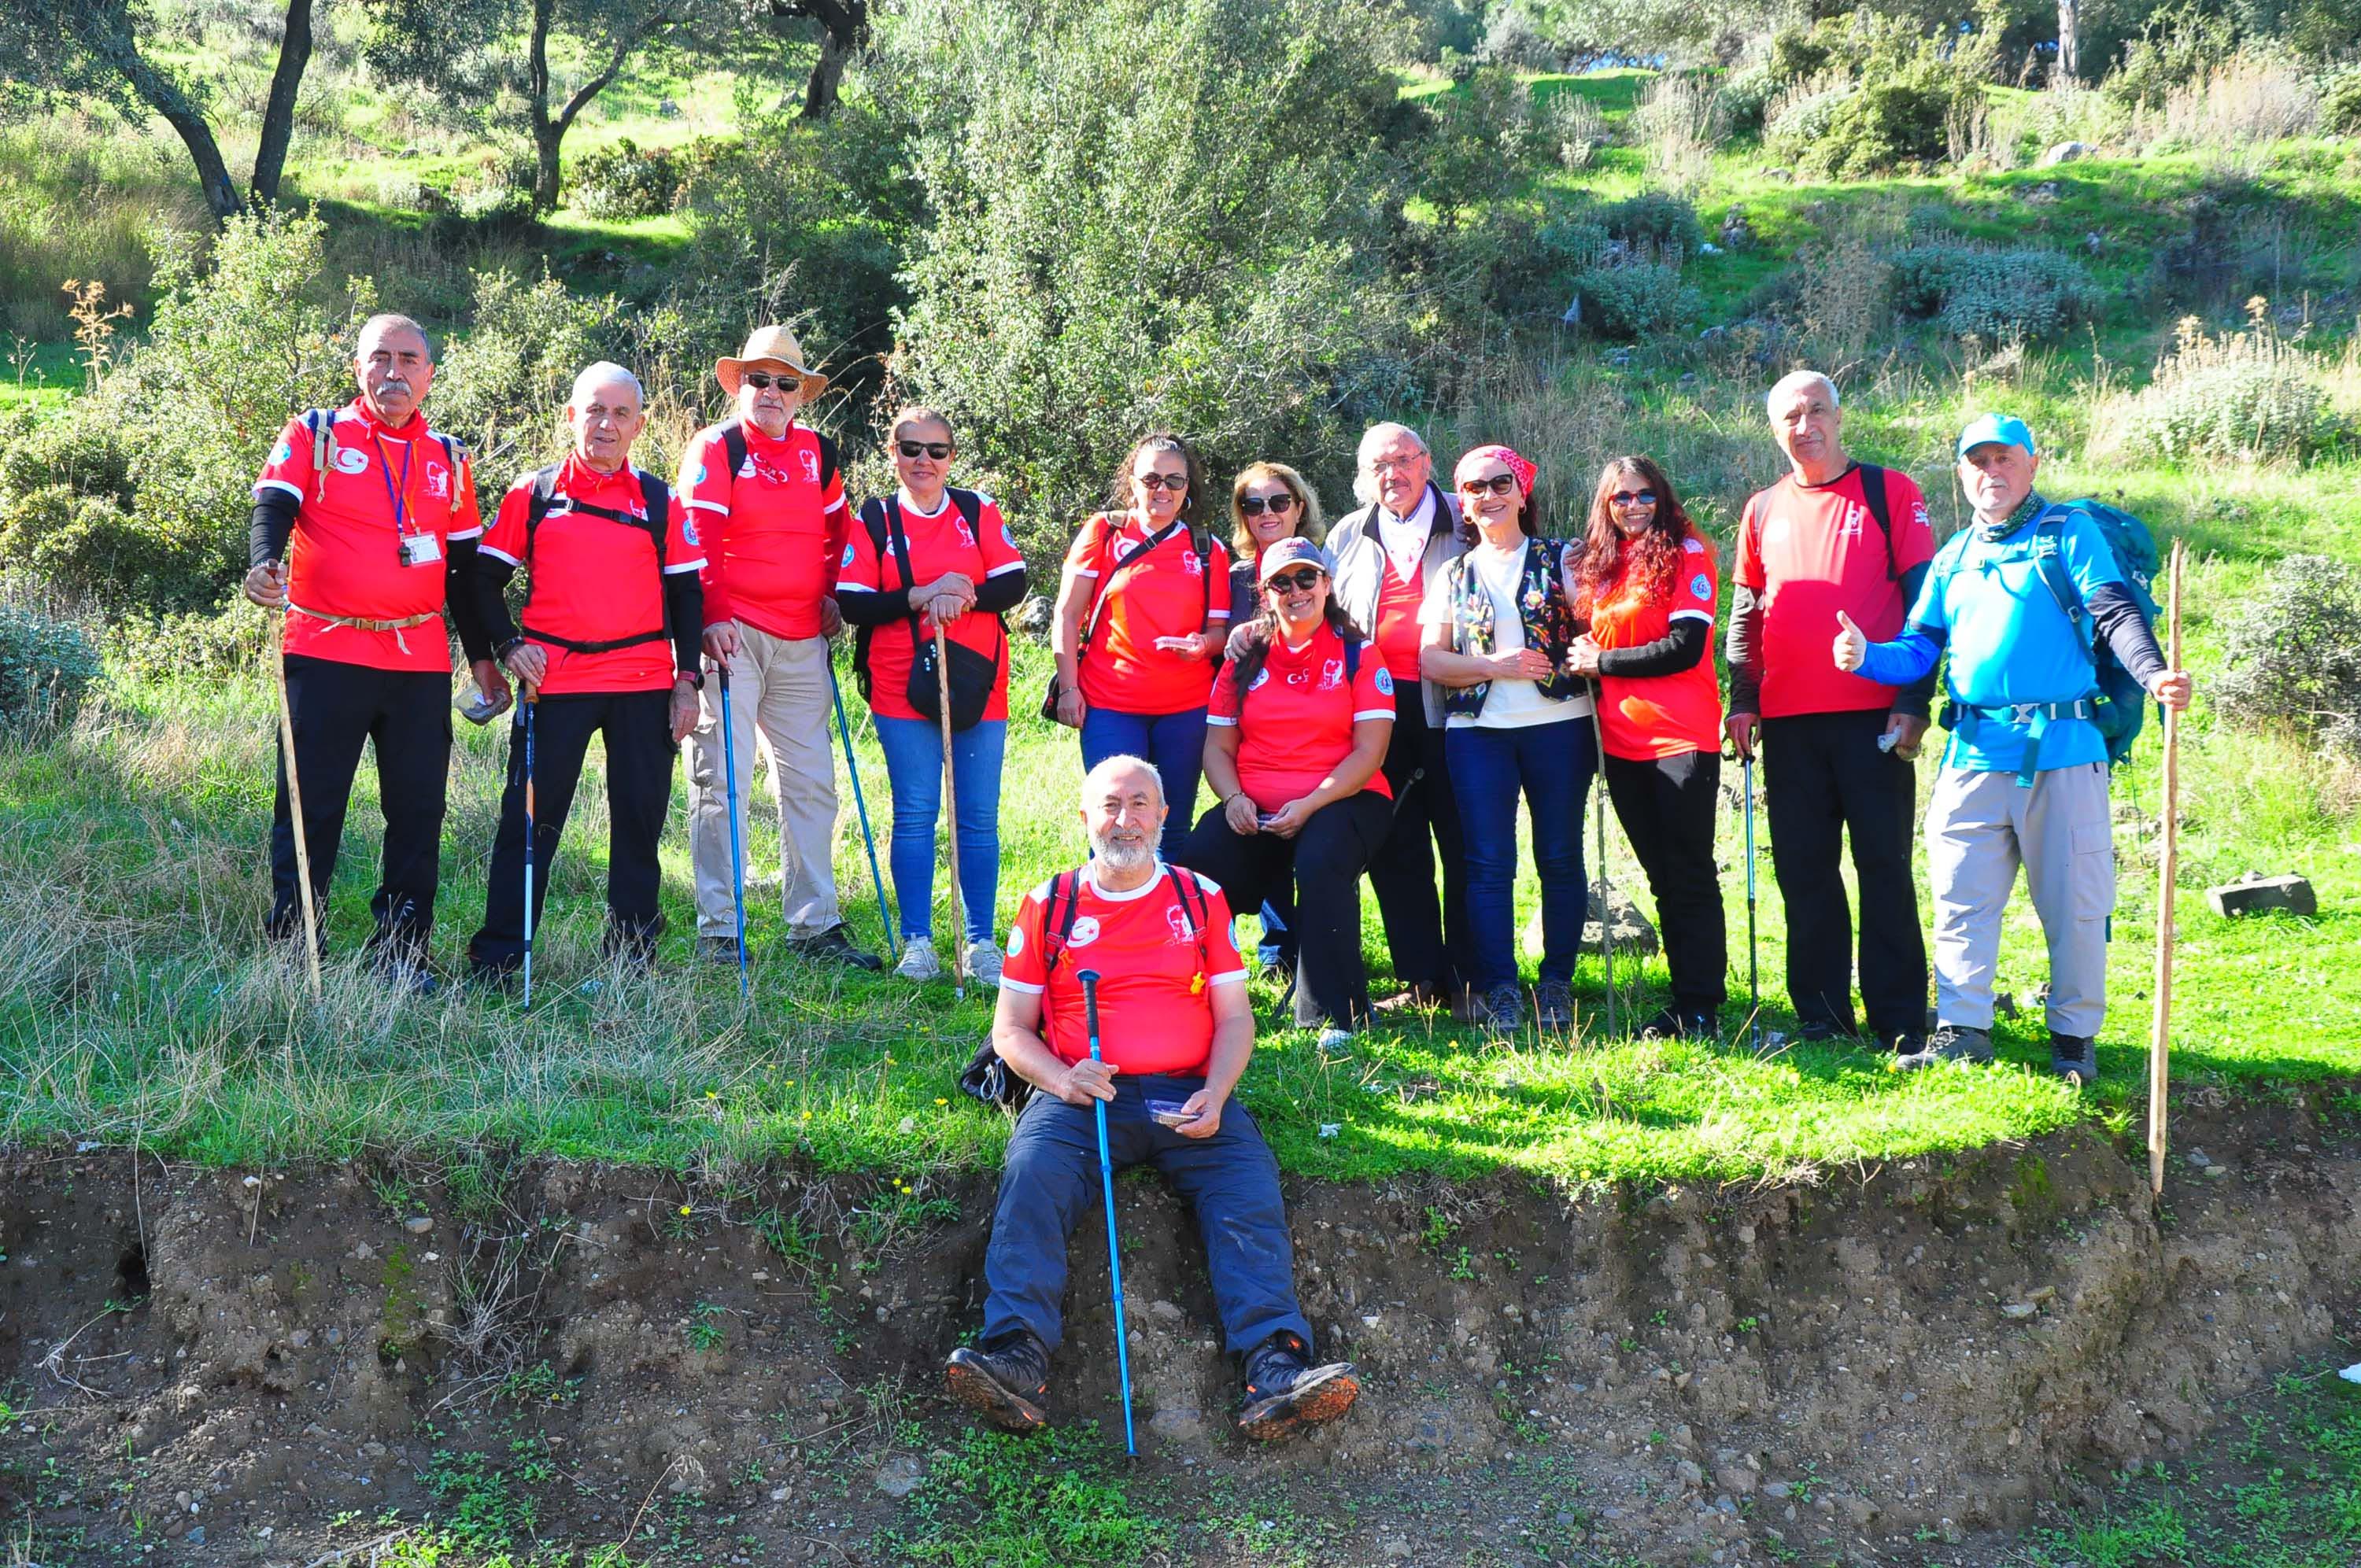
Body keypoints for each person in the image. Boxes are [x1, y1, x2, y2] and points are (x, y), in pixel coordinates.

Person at [944, 754, 1360, 1443]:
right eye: (1110, 804)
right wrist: (1059, 1079)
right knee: (1030, 1177)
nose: (1125, 818)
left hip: (1186, 1091)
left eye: (1140, 803)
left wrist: (1218, 1092)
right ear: (1084, 817)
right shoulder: (1049, 903)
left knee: (1246, 1182)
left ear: (1164, 815)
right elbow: (1010, 1031)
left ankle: (1275, 1370)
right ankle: (1016, 1359)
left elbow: (1234, 1018)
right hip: (1081, 1097)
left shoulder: (1200, 897)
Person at [1834, 414, 2192, 1083]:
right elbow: (1920, 649)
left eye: (2003, 459)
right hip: (1971, 755)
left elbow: (2114, 611)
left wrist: (2153, 673)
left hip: (2063, 749)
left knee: (2075, 905)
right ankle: (1964, 1028)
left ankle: (2073, 1041)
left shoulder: (2067, 534)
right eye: (1977, 462)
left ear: (2031, 464)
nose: (1990, 473)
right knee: (1960, 898)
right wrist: (1866, 657)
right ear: (1962, 474)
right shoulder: (1954, 556)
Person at [246, 312, 496, 987]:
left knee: (418, 810)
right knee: (311, 804)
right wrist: (265, 564)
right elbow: (272, 505)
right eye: (380, 358)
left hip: (415, 662)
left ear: (429, 375)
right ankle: (294, 946)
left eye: (409, 359)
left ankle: (402, 950)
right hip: (325, 651)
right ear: (359, 368)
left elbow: (467, 573)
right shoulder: (317, 432)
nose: (394, 371)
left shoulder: (451, 457)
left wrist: (483, 661)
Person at [464, 363, 703, 976]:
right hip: (556, 684)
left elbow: (686, 596)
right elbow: (483, 581)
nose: (606, 424)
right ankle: (500, 958)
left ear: (639, 425)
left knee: (639, 824)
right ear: (571, 415)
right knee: (528, 822)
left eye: (621, 414)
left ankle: (632, 958)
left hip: (644, 683)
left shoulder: (659, 499)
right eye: (595, 410)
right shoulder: (534, 492)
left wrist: (688, 681)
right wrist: (509, 645)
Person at [1726, 371, 1935, 1053]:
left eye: (1817, 410)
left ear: (1840, 417)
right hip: (1788, 721)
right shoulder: (1761, 509)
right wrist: (1744, 700)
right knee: (1804, 870)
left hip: (1873, 716)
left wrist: (1914, 701)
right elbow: (1745, 615)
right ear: (1774, 428)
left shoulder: (1889, 491)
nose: (1805, 424)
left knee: (1882, 865)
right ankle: (1821, 1013)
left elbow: (1926, 609)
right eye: (1790, 415)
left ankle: (1900, 1016)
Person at [675, 325, 879, 971]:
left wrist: (832, 597)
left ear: (800, 396)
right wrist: (709, 617)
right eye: (758, 379)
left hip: (800, 642)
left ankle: (815, 925)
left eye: (784, 382)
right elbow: (695, 538)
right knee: (722, 781)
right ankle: (719, 929)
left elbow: (837, 534)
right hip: (731, 637)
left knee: (813, 784)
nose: (771, 391)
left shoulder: (820, 451)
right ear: (740, 386)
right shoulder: (717, 447)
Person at [837, 407, 1027, 985]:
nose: (924, 460)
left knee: (977, 817)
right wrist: (923, 594)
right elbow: (853, 601)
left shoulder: (978, 510)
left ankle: (981, 943)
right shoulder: (874, 517)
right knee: (916, 812)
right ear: (892, 452)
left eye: (937, 450)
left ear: (952, 457)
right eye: (911, 447)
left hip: (980, 681)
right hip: (900, 684)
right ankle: (918, 941)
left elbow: (1014, 580)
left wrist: (958, 595)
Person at [1177, 538, 1395, 1046]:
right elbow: (1217, 748)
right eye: (1282, 582)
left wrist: (1310, 804)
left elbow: (1370, 754)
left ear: (1326, 584)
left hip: (1345, 798)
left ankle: (1331, 1014)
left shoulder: (1358, 652)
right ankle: (1183, 994)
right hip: (1255, 805)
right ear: (1265, 592)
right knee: (1195, 867)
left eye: (1305, 578)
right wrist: (1232, 799)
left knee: (1321, 857)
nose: (1295, 591)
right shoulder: (1244, 655)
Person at [1417, 444, 1594, 1034]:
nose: (1488, 497)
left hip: (1558, 726)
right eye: (1474, 488)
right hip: (1478, 733)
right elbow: (1433, 661)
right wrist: (1498, 664)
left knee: (1560, 857)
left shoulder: (1562, 558)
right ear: (1462, 504)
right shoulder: (1452, 572)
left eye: (1500, 484)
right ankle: (1500, 989)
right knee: (1488, 865)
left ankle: (1557, 984)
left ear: (1523, 493)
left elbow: (1598, 630)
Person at [1565, 456, 1727, 1039]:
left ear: (1662, 497)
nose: (1633, 507)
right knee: (1662, 875)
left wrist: (1602, 661)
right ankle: (1685, 996)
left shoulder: (1686, 553)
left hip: (1678, 735)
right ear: (1605, 506)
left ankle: (1702, 1003)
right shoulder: (1603, 564)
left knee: (1688, 873)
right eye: (1620, 499)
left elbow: (1686, 647)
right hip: (1622, 742)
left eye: (1644, 496)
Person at [1325, 422, 1469, 1013]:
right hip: (1379, 712)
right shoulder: (1347, 533)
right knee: (1396, 844)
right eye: (1379, 467)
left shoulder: (1468, 516)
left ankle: (1469, 978)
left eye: (1403, 461)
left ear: (1427, 461)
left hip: (1461, 706)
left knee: (1466, 844)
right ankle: (1422, 980)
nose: (1394, 475)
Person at [1050, 434, 1232, 860]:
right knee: (1112, 823)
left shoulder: (1208, 549)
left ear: (1188, 488)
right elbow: (1067, 615)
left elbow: (1219, 633)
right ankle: (1108, 922)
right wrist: (1069, 688)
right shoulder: (1105, 532)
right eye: (1151, 478)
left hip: (1186, 710)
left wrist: (1201, 645)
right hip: (1110, 704)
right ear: (1131, 481)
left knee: (1170, 826)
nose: (1162, 490)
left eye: (1174, 480)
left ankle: (1167, 924)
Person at [1220, 462, 1324, 980]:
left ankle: (1303, 945)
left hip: (1316, 718)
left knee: (1309, 834)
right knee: (1258, 828)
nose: (1267, 513)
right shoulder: (1234, 574)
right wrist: (1226, 640)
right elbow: (1215, 635)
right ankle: (1276, 951)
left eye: (1279, 502)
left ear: (1299, 506)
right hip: (1248, 720)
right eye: (1253, 504)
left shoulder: (1323, 565)